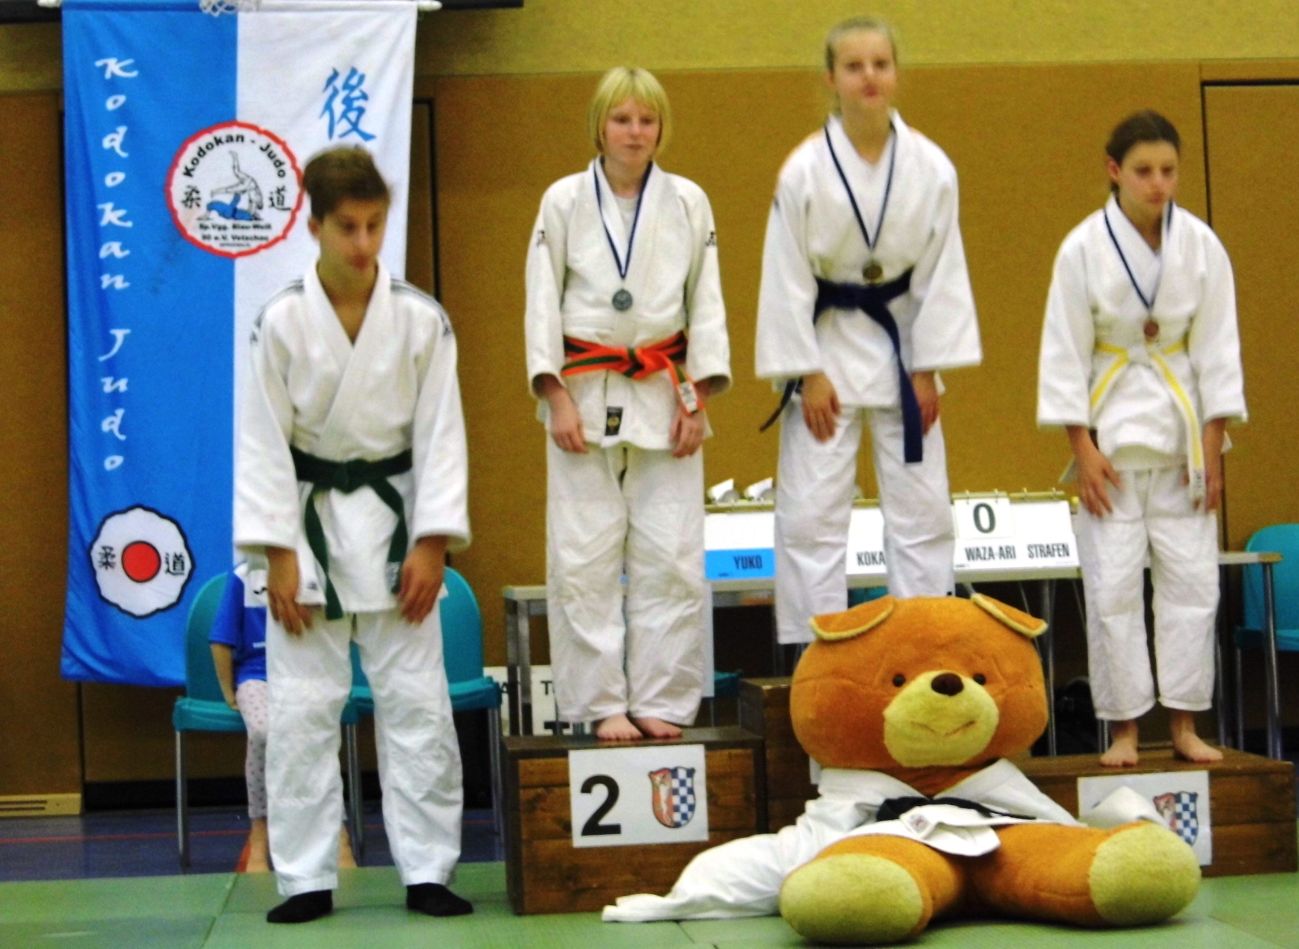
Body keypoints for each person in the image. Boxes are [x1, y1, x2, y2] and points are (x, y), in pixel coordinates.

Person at [235, 145, 473, 923]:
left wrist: (434, 541)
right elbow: (261, 441)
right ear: (313, 226)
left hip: (399, 525)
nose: (363, 242)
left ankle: (429, 868)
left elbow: (442, 433)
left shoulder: (420, 319)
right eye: (347, 227)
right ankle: (305, 875)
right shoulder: (279, 321)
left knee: (417, 703)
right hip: (306, 532)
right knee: (303, 708)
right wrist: (276, 551)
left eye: (374, 225)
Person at [755, 17, 980, 646]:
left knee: (923, 514)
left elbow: (942, 272)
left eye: (880, 64)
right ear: (832, 78)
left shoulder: (931, 167)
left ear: (896, 73)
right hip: (826, 352)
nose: (869, 77)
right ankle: (818, 663)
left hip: (904, 350)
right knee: (810, 519)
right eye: (854, 66)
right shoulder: (804, 169)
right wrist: (807, 372)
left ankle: (926, 650)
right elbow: (785, 276)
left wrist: (928, 368)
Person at [524, 67, 731, 742]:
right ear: (599, 126)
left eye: (646, 120)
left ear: (660, 128)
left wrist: (699, 395)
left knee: (672, 555)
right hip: (582, 393)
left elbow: (706, 301)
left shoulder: (689, 201)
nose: (635, 132)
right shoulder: (561, 200)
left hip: (664, 390)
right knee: (581, 556)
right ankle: (599, 703)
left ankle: (661, 698)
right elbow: (540, 299)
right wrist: (552, 391)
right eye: (622, 119)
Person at [1036, 110, 1246, 767]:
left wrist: (1212, 446)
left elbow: (1218, 348)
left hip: (1183, 437)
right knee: (1112, 589)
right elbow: (1064, 352)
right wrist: (1081, 447)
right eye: (1144, 170)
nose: (1158, 183)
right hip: (1111, 436)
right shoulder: (1081, 249)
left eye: (1168, 171)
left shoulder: (1201, 246)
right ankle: (1123, 730)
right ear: (1114, 171)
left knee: (1192, 584)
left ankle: (1183, 724)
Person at [208, 564, 356, 873]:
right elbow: (221, 639)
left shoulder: (317, 570)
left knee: (316, 731)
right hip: (257, 677)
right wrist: (229, 692)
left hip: (305, 673)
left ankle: (338, 832)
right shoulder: (243, 577)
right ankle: (259, 831)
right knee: (263, 731)